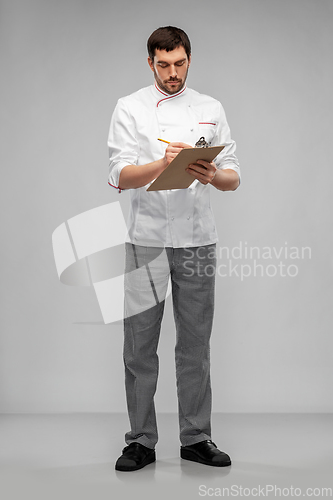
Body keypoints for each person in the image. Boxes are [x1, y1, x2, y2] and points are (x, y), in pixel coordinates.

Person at [107, 26, 240, 472]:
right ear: (150, 63)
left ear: (189, 59)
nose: (172, 73)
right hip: (146, 239)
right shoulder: (130, 107)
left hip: (198, 239)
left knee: (195, 345)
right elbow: (120, 175)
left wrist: (208, 174)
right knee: (139, 347)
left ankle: (196, 437)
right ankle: (141, 441)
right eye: (163, 65)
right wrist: (161, 165)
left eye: (179, 63)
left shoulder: (210, 107)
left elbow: (233, 175)